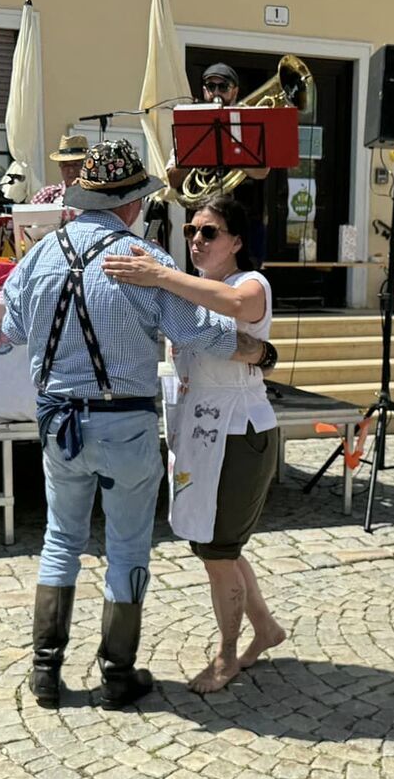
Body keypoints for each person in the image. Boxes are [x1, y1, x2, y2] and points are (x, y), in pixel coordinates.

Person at [1, 139, 277, 711]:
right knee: (127, 547)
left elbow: (13, 327)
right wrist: (257, 351)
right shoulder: (145, 260)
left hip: (58, 420)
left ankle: (45, 671)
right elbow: (197, 333)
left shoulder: (42, 252)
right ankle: (117, 673)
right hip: (123, 421)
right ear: (131, 202)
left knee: (60, 540)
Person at [103, 194, 287, 693]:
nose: (197, 240)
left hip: (239, 429)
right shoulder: (190, 287)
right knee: (214, 544)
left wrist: (161, 276)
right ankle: (265, 629)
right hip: (200, 429)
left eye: (209, 232)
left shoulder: (251, 282)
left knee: (219, 551)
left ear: (237, 241)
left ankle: (227, 655)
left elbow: (237, 306)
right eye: (191, 231)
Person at [168, 63, 271, 264]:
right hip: (203, 224)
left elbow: (262, 172)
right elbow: (173, 180)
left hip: (242, 221)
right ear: (204, 90)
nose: (216, 93)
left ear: (235, 91)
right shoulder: (190, 124)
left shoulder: (248, 124)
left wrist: (231, 150)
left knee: (244, 272)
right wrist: (194, 151)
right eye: (211, 87)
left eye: (223, 87)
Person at [32, 133, 90, 207]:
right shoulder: (47, 195)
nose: (71, 170)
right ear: (60, 166)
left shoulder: (99, 196)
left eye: (76, 164)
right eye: (66, 165)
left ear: (88, 166)